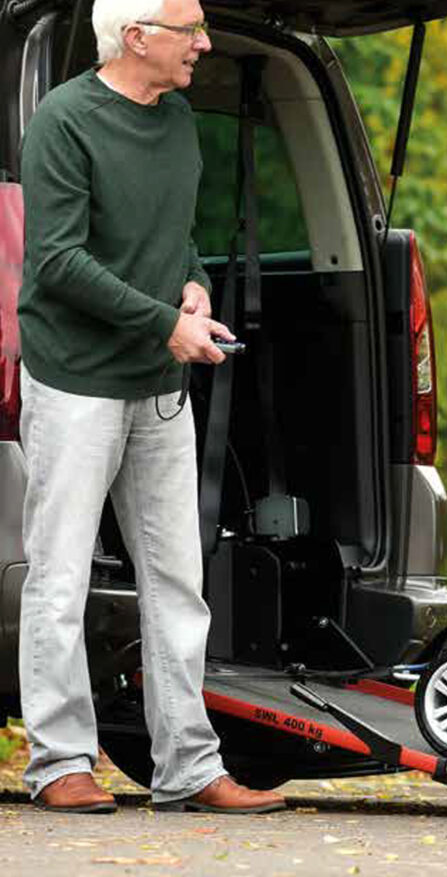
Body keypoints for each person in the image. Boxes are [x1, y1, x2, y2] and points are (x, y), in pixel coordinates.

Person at [17, 0, 285, 813]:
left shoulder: (174, 121)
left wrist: (192, 285)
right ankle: (60, 760)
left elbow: (171, 239)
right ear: (136, 37)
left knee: (177, 581)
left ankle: (190, 767)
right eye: (190, 30)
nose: (205, 44)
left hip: (156, 386)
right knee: (59, 577)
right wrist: (166, 323)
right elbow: (59, 259)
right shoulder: (64, 122)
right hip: (74, 379)